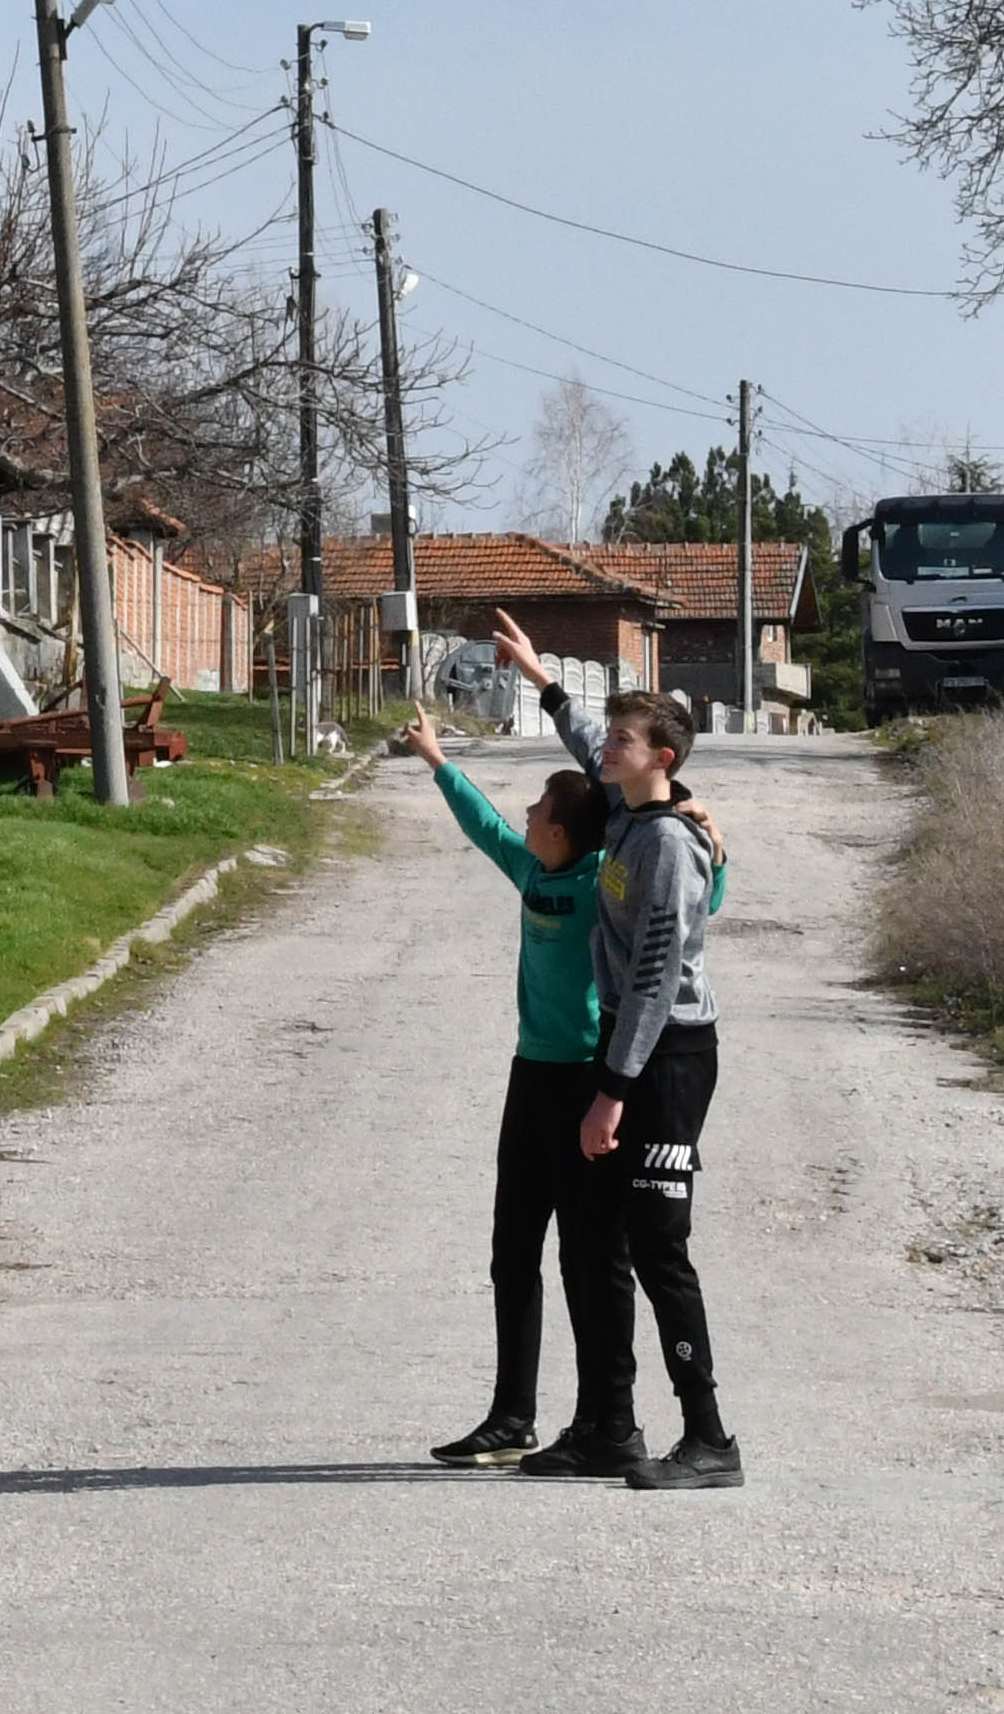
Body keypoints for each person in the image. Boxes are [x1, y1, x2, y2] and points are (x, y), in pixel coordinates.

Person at [491, 616, 740, 1491]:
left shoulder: (669, 845)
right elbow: (586, 735)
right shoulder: (631, 812)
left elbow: (655, 977)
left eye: (626, 740)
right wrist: (540, 679)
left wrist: (613, 1090)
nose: (609, 748)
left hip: (668, 1057)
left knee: (660, 1248)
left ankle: (710, 1439)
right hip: (634, 1053)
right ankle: (608, 1430)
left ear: (662, 757)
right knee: (608, 1239)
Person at [394, 699, 612, 1468]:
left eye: (538, 808)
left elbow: (693, 908)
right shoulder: (533, 867)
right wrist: (438, 762)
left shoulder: (605, 882)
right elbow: (485, 826)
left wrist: (713, 861)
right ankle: (511, 1416)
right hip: (531, 1075)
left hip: (588, 1082)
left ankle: (598, 1421)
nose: (524, 813)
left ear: (561, 830)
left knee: (584, 1261)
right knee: (510, 1250)